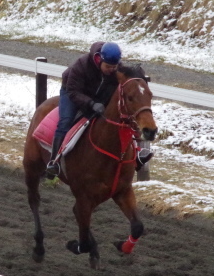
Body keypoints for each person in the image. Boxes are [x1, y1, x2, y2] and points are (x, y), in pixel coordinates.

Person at [45, 41, 152, 178]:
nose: (111, 70)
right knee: (65, 121)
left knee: (124, 119)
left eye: (114, 67)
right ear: (98, 59)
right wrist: (91, 104)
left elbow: (129, 80)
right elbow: (73, 91)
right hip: (72, 91)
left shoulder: (115, 69)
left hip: (97, 93)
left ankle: (137, 155)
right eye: (108, 66)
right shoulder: (81, 65)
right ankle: (54, 162)